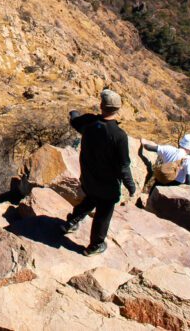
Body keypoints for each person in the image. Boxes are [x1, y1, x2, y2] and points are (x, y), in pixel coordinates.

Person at [62, 88, 137, 256]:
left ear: (101, 105)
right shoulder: (118, 135)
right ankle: (95, 245)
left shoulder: (89, 123)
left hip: (88, 176)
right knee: (103, 212)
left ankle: (71, 223)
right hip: (107, 182)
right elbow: (124, 165)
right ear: (118, 109)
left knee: (91, 198)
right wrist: (130, 186)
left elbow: (75, 121)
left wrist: (74, 113)